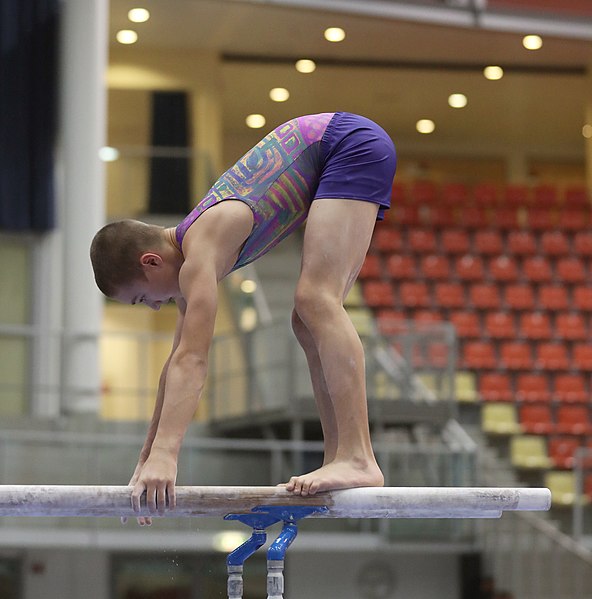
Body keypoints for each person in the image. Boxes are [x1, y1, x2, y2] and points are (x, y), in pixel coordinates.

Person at [90, 112, 397, 522]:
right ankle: (340, 455)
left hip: (346, 143)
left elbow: (194, 361)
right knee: (304, 319)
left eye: (142, 297)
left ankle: (359, 456)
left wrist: (168, 456)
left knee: (315, 299)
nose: (154, 306)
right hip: (337, 148)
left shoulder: (200, 252)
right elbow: (175, 368)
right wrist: (147, 461)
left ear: (151, 262)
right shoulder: (191, 258)